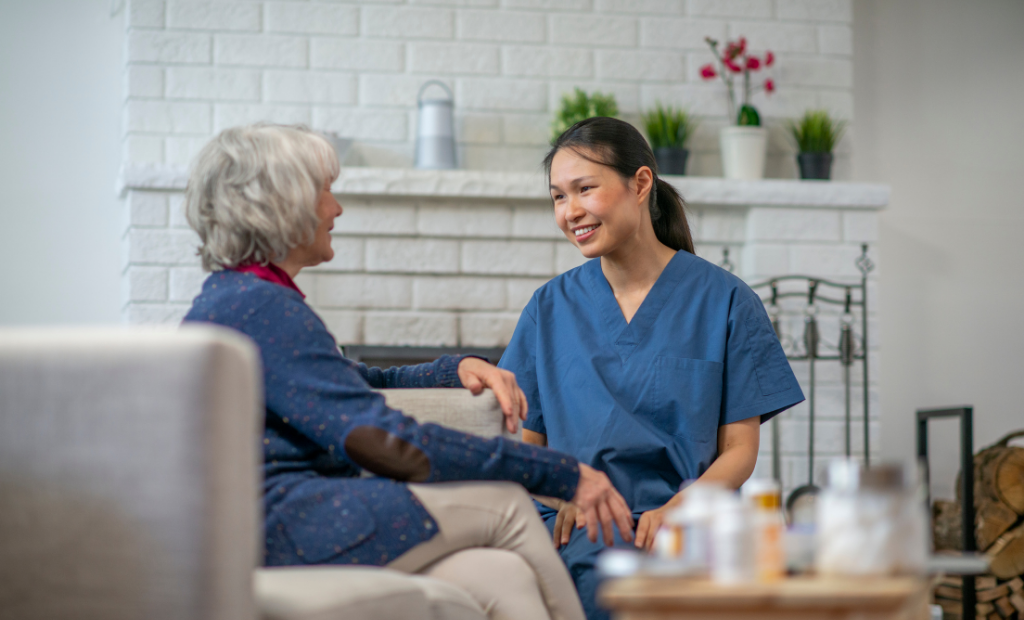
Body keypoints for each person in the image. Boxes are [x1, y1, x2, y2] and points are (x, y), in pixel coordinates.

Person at [181, 124, 636, 620]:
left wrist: (454, 368)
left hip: (281, 525)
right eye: (325, 192)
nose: (336, 208)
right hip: (290, 527)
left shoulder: (238, 299)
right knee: (508, 504)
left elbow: (350, 381)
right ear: (285, 204)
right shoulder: (263, 308)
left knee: (498, 578)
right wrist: (565, 474)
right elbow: (387, 440)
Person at [497, 117, 805, 620]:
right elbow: (525, 450)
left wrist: (678, 511)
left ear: (640, 184)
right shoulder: (549, 308)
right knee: (601, 581)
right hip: (584, 525)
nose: (570, 211)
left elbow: (739, 452)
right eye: (557, 197)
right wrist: (561, 488)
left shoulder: (726, 301)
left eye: (584, 189)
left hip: (686, 520)